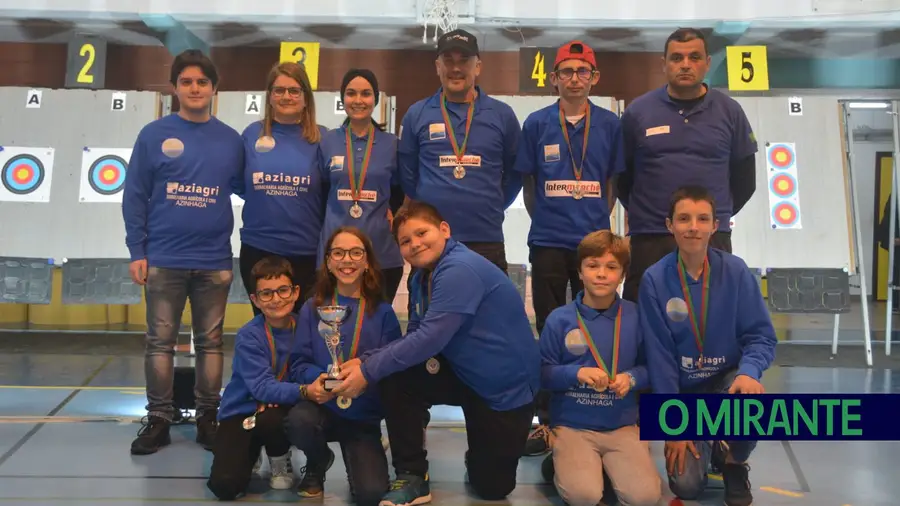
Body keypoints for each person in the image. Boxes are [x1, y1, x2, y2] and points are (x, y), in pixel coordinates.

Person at [332, 201, 540, 505]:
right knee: (398, 375)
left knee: (493, 488)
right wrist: (367, 361)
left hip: (503, 390)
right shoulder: (420, 277)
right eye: (405, 241)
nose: (415, 244)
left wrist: (367, 370)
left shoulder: (459, 269)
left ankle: (484, 451)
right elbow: (416, 335)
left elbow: (430, 339)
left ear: (444, 230)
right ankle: (413, 475)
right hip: (463, 372)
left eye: (421, 233)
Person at [123, 49, 243, 455]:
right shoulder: (153, 134)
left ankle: (209, 417)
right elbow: (135, 195)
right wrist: (136, 249)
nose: (195, 88)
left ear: (213, 88)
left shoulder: (230, 139)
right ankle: (159, 419)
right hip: (163, 258)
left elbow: (249, 188)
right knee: (159, 342)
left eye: (202, 82)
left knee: (210, 343)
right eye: (187, 82)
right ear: (174, 87)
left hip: (214, 260)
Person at [515, 40, 625, 457]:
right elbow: (529, 186)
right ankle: (546, 421)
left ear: (594, 78)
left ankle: (590, 409)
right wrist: (546, 219)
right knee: (549, 330)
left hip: (593, 246)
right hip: (546, 241)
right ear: (554, 77)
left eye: (583, 71)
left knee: (595, 329)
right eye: (567, 71)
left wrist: (596, 222)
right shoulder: (538, 123)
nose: (574, 78)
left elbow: (613, 184)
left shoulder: (611, 125)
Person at [639, 185, 776, 506]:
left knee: (749, 396)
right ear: (669, 225)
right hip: (686, 395)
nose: (693, 227)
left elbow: (761, 336)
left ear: (716, 226)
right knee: (686, 487)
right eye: (684, 219)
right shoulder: (654, 280)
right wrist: (674, 425)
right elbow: (659, 359)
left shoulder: (736, 272)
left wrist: (750, 371)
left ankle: (733, 462)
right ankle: (710, 441)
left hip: (727, 384)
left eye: (702, 219)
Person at [617, 27, 758, 302]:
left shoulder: (730, 111)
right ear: (664, 64)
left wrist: (709, 218)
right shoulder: (638, 112)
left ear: (707, 63)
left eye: (694, 57)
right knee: (644, 314)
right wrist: (649, 212)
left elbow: (745, 180)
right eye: (677, 58)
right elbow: (623, 178)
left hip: (709, 238)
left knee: (712, 313)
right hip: (651, 236)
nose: (685, 65)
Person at [539, 230, 660, 506]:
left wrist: (631, 378)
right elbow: (543, 373)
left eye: (611, 267)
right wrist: (576, 374)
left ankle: (601, 466)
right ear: (580, 272)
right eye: (592, 266)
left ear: (623, 274)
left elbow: (652, 367)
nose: (601, 274)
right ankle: (567, 458)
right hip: (573, 426)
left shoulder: (637, 316)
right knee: (584, 496)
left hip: (622, 426)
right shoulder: (560, 319)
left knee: (645, 498)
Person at [284, 226, 401, 504]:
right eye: (338, 252)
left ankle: (364, 454)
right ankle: (317, 460)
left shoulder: (383, 312)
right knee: (298, 421)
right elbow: (297, 364)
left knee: (371, 495)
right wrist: (322, 379)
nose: (346, 260)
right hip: (321, 407)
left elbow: (393, 363)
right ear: (328, 261)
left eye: (355, 253)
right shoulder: (313, 308)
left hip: (362, 414)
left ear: (367, 262)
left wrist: (363, 374)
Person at [397, 28, 522, 273]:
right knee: (431, 311)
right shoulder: (417, 114)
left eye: (464, 60)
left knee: (488, 311)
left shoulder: (502, 115)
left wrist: (490, 203)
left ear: (478, 66)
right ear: (437, 66)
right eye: (448, 60)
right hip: (431, 242)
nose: (456, 68)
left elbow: (514, 176)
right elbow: (408, 177)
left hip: (485, 238)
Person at [206, 256, 304, 500]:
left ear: (295, 292)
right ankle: (250, 451)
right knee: (224, 486)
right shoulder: (249, 335)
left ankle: (279, 457)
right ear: (255, 300)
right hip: (242, 411)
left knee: (273, 417)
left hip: (277, 411)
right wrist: (301, 390)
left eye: (283, 290)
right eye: (267, 294)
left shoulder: (307, 328)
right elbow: (261, 388)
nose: (276, 299)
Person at [238, 61, 328, 314]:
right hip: (259, 249)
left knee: (303, 331)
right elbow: (239, 183)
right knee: (266, 327)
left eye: (294, 90)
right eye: (278, 90)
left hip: (306, 252)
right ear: (269, 97)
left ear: (305, 97)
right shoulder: (251, 134)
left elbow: (330, 193)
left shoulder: (323, 139)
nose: (286, 96)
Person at [319, 69, 406, 303]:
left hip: (381, 253)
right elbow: (319, 192)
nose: (358, 100)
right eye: (351, 93)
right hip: (335, 253)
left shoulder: (392, 145)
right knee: (336, 328)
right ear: (342, 98)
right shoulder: (327, 141)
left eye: (366, 94)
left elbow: (402, 189)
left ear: (376, 100)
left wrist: (394, 211)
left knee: (376, 327)